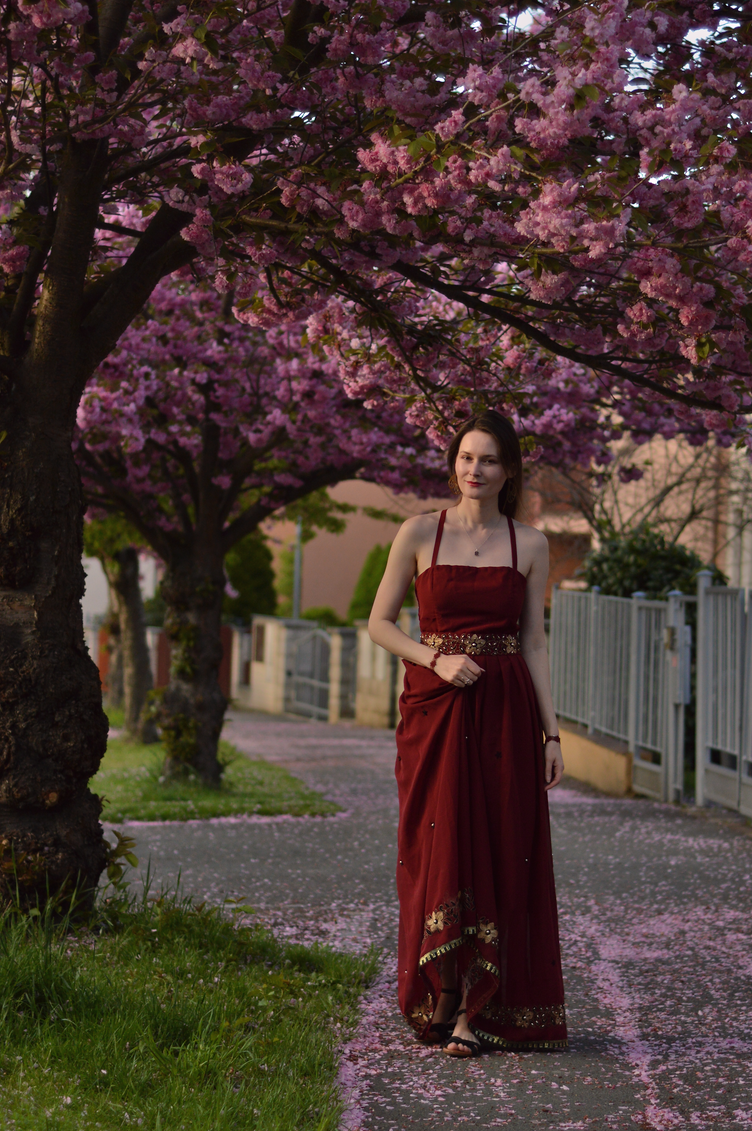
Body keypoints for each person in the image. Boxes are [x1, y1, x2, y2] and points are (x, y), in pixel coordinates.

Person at [368, 410, 567, 1058]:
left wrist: (552, 734)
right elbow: (379, 622)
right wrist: (435, 658)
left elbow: (535, 643)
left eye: (487, 460)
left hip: (506, 711)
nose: (473, 469)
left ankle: (475, 1011)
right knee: (439, 848)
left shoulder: (529, 543)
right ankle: (444, 993)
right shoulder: (419, 532)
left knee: (505, 848)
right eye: (465, 457)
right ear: (452, 462)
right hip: (435, 708)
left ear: (507, 471)